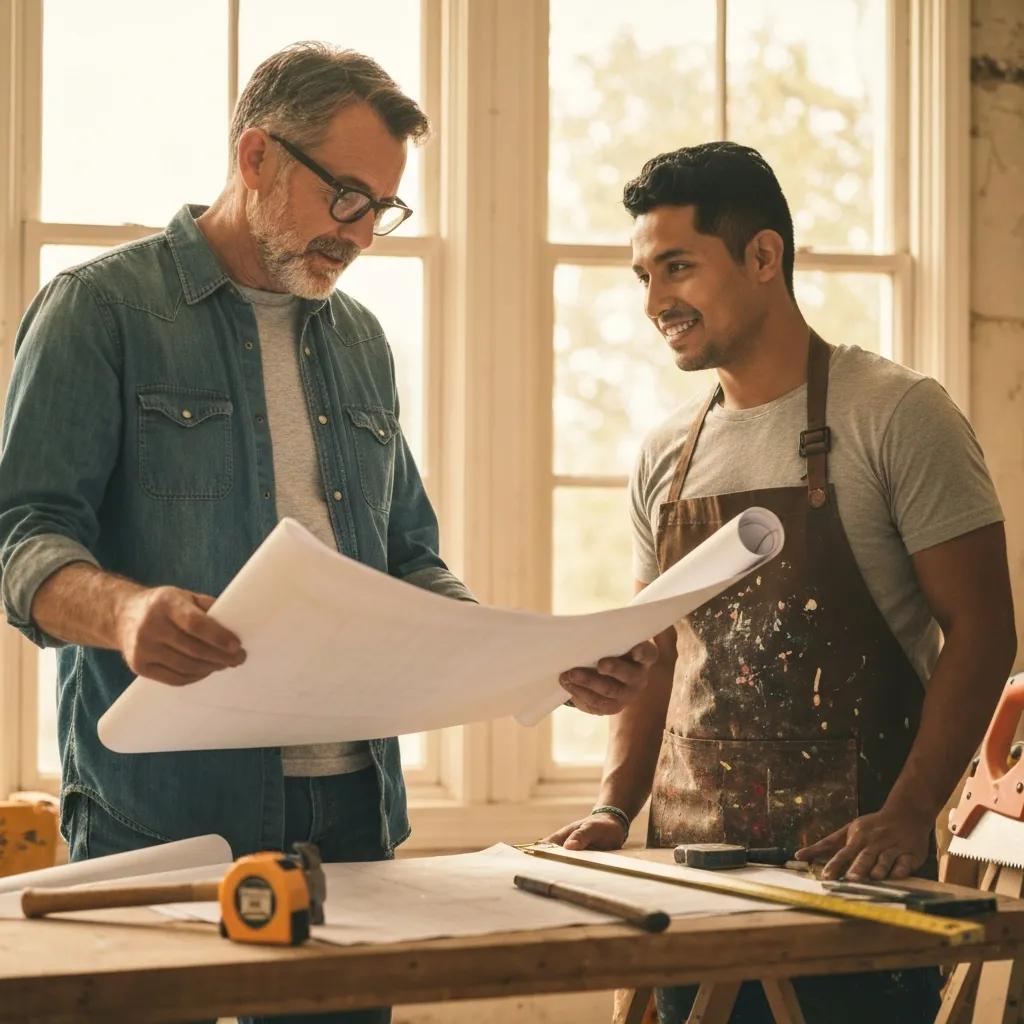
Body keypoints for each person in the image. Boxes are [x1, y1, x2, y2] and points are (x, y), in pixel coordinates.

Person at [0, 43, 655, 1024]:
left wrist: (528, 662)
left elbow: (405, 559)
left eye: (382, 208)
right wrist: (127, 610)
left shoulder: (359, 342)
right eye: (346, 196)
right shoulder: (101, 310)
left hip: (348, 818)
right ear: (256, 155)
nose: (362, 235)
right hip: (160, 813)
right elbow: (23, 535)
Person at [546, 141, 1017, 1024]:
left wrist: (910, 811)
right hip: (691, 889)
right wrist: (616, 804)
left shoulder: (897, 414)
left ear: (764, 257)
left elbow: (986, 631)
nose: (655, 303)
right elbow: (657, 653)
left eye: (677, 268)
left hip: (853, 885)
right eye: (643, 276)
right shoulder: (665, 456)